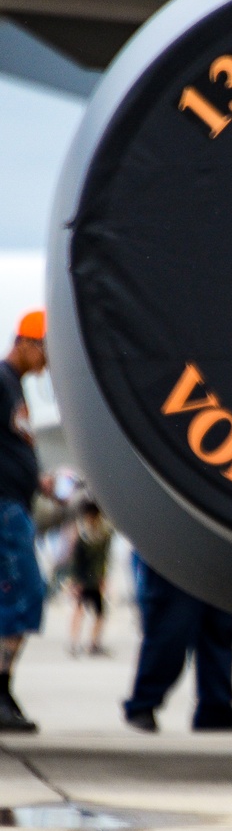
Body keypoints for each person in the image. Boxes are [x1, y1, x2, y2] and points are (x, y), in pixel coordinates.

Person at [122, 557, 232, 733]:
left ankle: (215, 709)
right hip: (175, 554)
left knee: (219, 627)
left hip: (216, 558)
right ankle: (143, 703)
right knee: (171, 628)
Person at [0, 310, 49, 733]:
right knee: (21, 594)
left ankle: (4, 687)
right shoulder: (2, 381)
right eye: (46, 350)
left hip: (16, 502)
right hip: (5, 507)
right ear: (26, 344)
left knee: (21, 596)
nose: (48, 362)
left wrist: (40, 479)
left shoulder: (14, 387)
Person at [67, 499, 113, 657]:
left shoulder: (102, 533)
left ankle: (92, 643)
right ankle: (75, 642)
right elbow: (76, 560)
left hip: (93, 579)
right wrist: (75, 582)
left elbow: (104, 558)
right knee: (79, 611)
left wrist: (103, 577)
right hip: (84, 579)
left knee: (99, 613)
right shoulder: (83, 534)